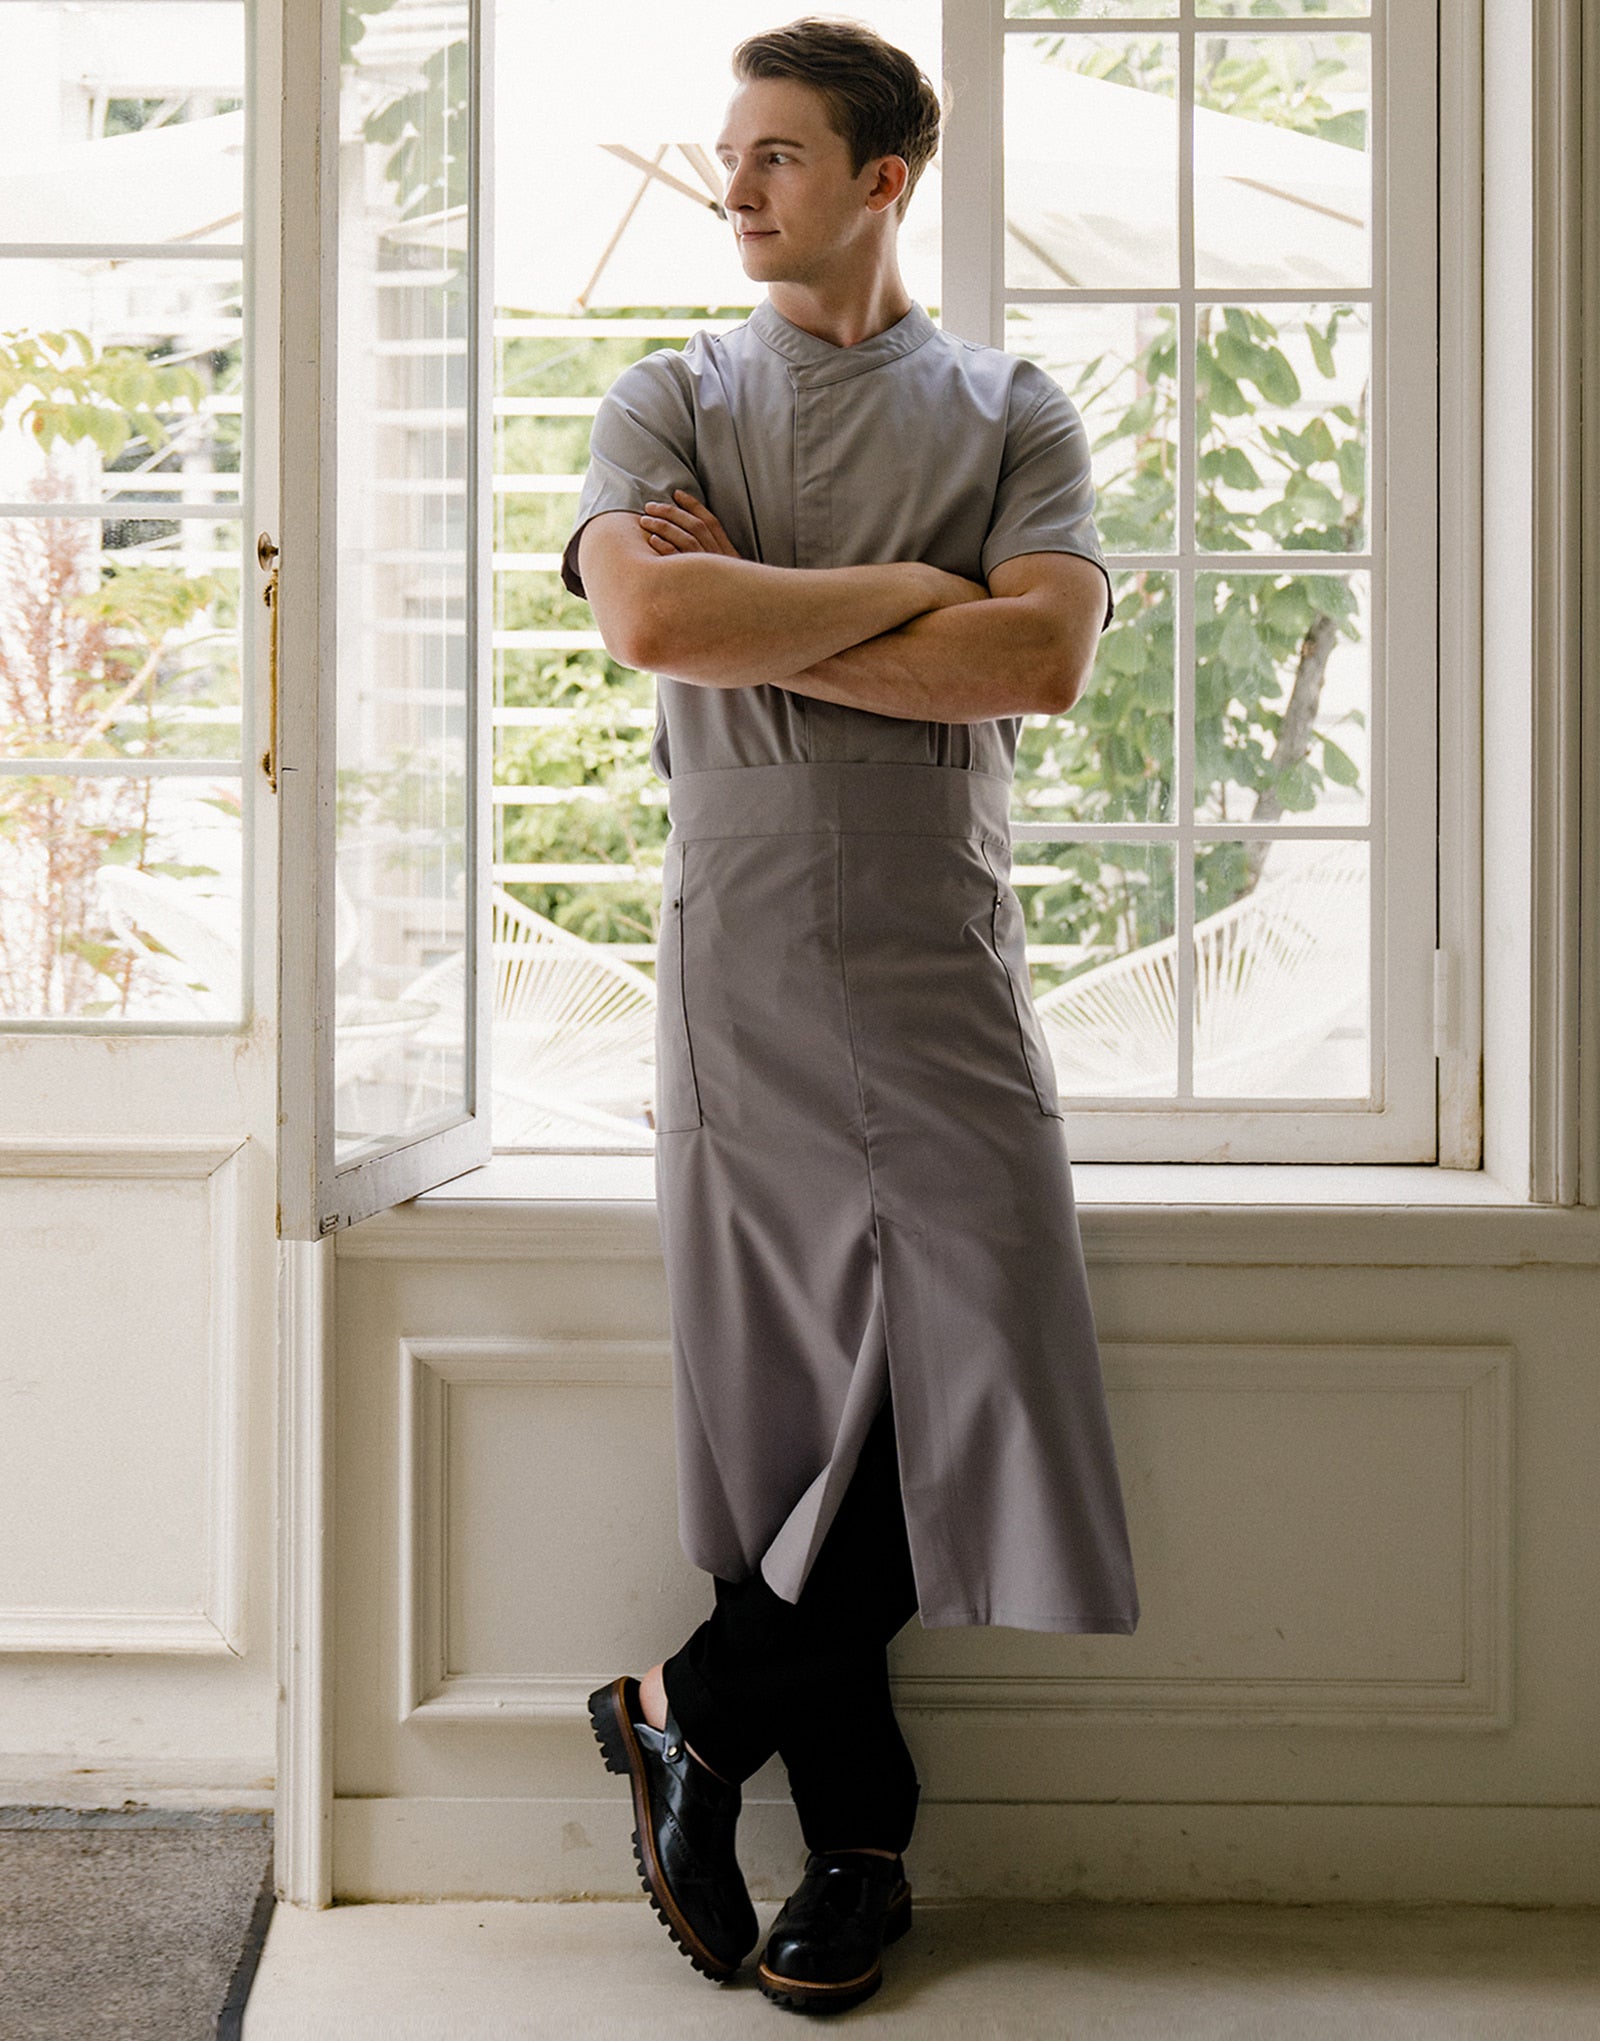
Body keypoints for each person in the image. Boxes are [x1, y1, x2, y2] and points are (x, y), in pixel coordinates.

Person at [567, 16, 1139, 2016]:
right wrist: (915, 591)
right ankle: (859, 1852)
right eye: (728, 151)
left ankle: (691, 1702)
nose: (733, 184)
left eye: (779, 154)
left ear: (882, 179)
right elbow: (656, 620)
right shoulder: (662, 397)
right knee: (788, 1408)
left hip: (937, 937)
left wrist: (790, 602)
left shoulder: (1012, 405)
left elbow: (1039, 664)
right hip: (736, 953)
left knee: (977, 1355)